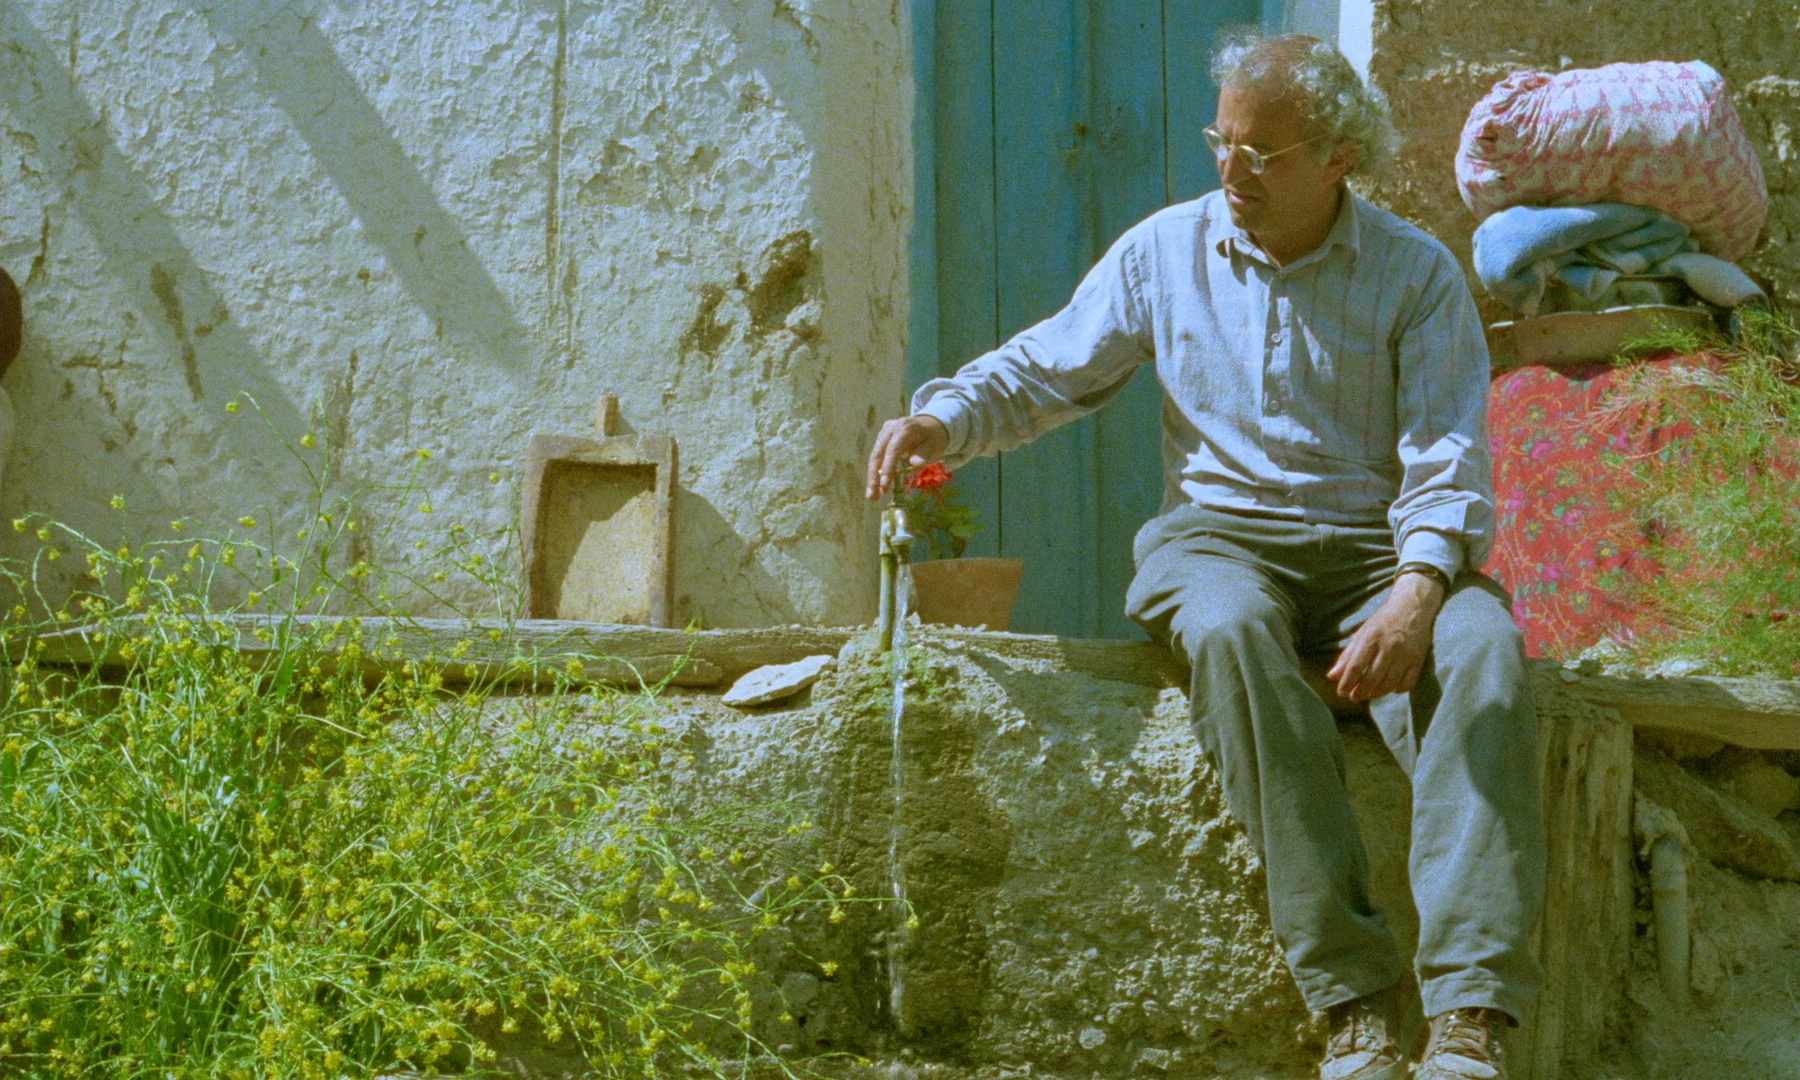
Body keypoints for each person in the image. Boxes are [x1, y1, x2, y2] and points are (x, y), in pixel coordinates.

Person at [864, 30, 1543, 1080]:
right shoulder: (1163, 251)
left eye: (1262, 153)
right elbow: (1049, 367)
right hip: (1220, 541)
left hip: (1378, 552)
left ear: (1337, 158)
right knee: (1227, 628)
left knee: (1484, 649)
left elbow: (1446, 457)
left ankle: (1469, 1018)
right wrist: (941, 421)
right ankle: (1355, 999)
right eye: (1220, 141)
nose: (1232, 171)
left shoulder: (1417, 276)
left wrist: (1416, 593)